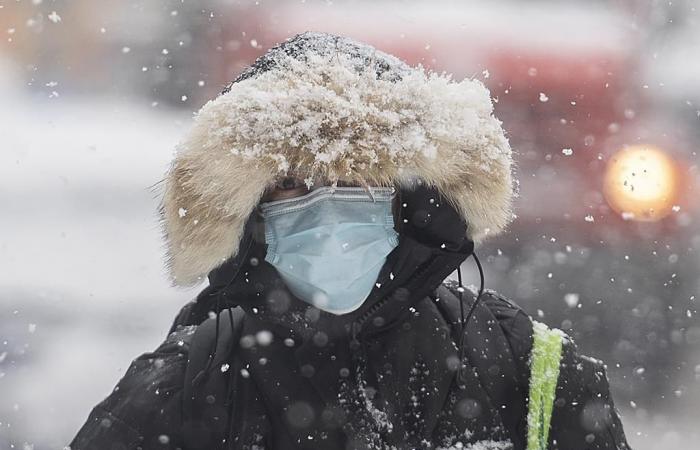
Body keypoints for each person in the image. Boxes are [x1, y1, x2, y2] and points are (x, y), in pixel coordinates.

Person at [70, 32, 631, 450]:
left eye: (359, 178)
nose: (328, 208)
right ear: (251, 217)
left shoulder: (528, 372)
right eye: (292, 184)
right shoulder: (180, 390)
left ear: (411, 200)